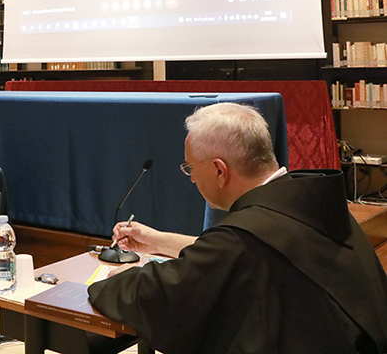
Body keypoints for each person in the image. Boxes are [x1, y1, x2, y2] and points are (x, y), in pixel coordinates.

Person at [87, 102, 387, 354]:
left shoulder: (241, 239)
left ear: (220, 170)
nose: (192, 178)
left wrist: (117, 277)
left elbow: (158, 295)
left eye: (190, 168)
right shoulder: (309, 199)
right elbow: (242, 253)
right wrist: (157, 240)